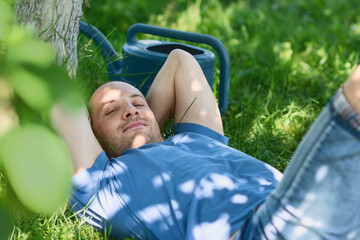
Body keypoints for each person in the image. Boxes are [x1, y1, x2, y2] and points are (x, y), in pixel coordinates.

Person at [51, 49, 360, 240]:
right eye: (112, 111)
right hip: (267, 227)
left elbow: (180, 61)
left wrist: (146, 129)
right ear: (93, 136)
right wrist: (120, 143)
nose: (130, 109)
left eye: (137, 102)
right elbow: (59, 98)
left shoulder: (194, 138)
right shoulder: (104, 185)